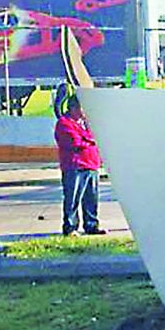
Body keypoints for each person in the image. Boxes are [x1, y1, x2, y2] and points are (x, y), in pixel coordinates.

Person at [54, 95, 104, 236]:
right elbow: (75, 143)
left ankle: (91, 225)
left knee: (91, 198)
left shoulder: (87, 122)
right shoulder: (64, 123)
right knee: (73, 199)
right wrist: (91, 140)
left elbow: (97, 135)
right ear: (74, 108)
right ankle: (70, 227)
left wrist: (89, 139)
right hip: (75, 166)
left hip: (91, 164)